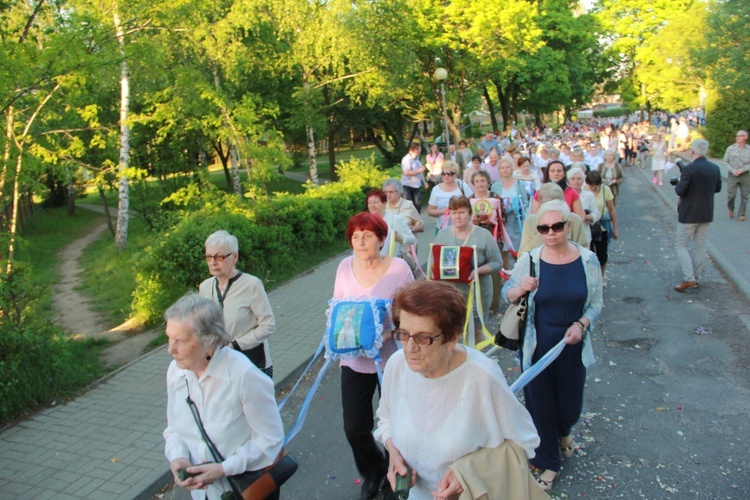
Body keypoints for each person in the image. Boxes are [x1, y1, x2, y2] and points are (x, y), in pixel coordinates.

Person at [374, 281, 540, 500]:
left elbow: (524, 442)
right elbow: (386, 420)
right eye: (403, 334)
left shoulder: (481, 376)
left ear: (452, 338)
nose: (410, 348)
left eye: (423, 337)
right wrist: (394, 453)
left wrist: (470, 473)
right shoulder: (397, 365)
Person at [503, 200, 603, 491]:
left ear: (568, 226)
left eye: (557, 226)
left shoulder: (587, 260)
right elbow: (509, 296)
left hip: (572, 344)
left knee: (570, 406)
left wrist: (581, 325)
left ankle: (564, 432)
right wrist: (521, 288)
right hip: (536, 344)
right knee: (541, 406)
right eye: (543, 228)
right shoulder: (530, 260)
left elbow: (596, 303)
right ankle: (549, 462)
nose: (550, 233)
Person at [163, 294, 284, 500]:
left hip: (248, 489)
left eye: (180, 341)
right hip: (205, 494)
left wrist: (224, 468)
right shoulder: (176, 373)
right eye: (169, 337)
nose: (170, 349)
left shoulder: (244, 375)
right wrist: (179, 457)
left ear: (209, 340)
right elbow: (174, 428)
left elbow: (270, 440)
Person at [333, 212, 414, 499]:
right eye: (355, 236)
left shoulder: (399, 269)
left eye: (367, 235)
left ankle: (401, 475)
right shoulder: (344, 267)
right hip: (354, 360)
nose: (361, 241)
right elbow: (338, 309)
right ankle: (374, 471)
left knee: (400, 423)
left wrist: (389, 333)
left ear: (382, 238)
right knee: (355, 428)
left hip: (391, 358)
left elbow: (411, 312)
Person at [199, 230, 275, 377]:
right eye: (208, 257)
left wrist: (234, 346)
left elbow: (268, 325)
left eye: (219, 257)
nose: (213, 262)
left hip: (253, 364)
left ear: (235, 257)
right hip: (220, 365)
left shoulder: (251, 285)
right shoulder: (205, 287)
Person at [433, 196, 502, 342]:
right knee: (454, 331)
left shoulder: (483, 235)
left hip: (478, 293)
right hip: (451, 295)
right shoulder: (442, 234)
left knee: (476, 330)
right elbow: (435, 262)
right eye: (454, 212)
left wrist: (477, 271)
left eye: (462, 212)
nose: (457, 216)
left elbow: (497, 262)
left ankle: (477, 361)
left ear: (470, 214)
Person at [673, 139, 722, 291]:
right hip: (706, 212)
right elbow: (718, 188)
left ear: (692, 151)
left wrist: (681, 181)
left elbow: (680, 190)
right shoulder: (715, 168)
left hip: (689, 213)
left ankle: (688, 278)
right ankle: (696, 276)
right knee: (701, 245)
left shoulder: (689, 169)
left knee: (681, 244)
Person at [519, 183, 590, 256]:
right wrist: (542, 234)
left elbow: (584, 251)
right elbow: (522, 254)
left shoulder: (575, 220)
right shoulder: (531, 221)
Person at [468, 170, 504, 313]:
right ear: (473, 183)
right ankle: (477, 302)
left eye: (483, 181)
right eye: (477, 181)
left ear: (488, 182)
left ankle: (493, 304)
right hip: (474, 239)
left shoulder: (496, 197)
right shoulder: (469, 199)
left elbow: (504, 218)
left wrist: (493, 220)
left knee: (494, 270)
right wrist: (473, 222)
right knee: (475, 269)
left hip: (493, 238)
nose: (480, 184)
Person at [492, 158, 530, 269]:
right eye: (502, 168)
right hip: (502, 222)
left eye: (507, 167)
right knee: (503, 249)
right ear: (499, 170)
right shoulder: (495, 186)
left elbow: (525, 202)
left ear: (511, 169)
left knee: (517, 247)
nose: (505, 170)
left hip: (515, 221)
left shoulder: (518, 184)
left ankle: (519, 270)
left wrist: (516, 208)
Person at [585, 170, 619, 282]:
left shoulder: (605, 190)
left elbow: (612, 209)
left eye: (596, 186)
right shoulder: (583, 189)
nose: (594, 188)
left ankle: (601, 276)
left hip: (601, 226)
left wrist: (615, 228)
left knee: (602, 254)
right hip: (587, 226)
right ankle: (589, 276)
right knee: (588, 253)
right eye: (592, 186)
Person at [367, 189, 416, 260]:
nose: (372, 205)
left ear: (384, 203)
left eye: (375, 202)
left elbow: (412, 239)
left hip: (391, 263)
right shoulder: (365, 222)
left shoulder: (395, 219)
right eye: (369, 203)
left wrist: (399, 238)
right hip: (371, 264)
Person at [427, 160, 473, 230]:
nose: (446, 176)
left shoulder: (463, 187)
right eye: (444, 173)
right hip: (442, 228)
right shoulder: (436, 189)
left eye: (450, 173)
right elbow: (430, 211)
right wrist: (442, 211)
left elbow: (473, 206)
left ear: (456, 175)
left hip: (463, 227)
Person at [567, 166, 600, 242]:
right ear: (568, 180)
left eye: (579, 179)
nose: (576, 181)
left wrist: (585, 216)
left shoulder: (589, 195)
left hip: (583, 231)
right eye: (573, 179)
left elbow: (596, 214)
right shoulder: (563, 194)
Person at [724, 130, 750, 221]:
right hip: (732, 175)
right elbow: (725, 162)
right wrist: (732, 170)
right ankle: (731, 208)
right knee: (731, 195)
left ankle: (741, 214)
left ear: (746, 137)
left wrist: (742, 170)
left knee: (745, 196)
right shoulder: (730, 148)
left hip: (745, 175)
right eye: (737, 136)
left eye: (741, 136)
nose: (738, 137)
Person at [401, 142, 427, 212]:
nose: (419, 151)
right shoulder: (407, 159)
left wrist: (424, 182)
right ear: (412, 150)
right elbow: (406, 172)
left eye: (419, 149)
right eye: (417, 149)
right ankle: (408, 220)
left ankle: (417, 219)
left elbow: (421, 171)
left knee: (418, 204)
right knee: (407, 205)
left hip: (417, 185)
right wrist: (419, 170)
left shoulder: (417, 158)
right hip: (407, 185)